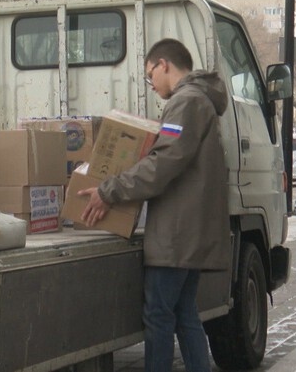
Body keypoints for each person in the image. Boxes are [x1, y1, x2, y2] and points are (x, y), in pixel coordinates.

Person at [79, 38, 230, 372]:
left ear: (164, 64)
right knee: (184, 313)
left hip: (177, 234)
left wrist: (110, 190)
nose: (152, 84)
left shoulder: (186, 102)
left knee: (159, 315)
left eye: (151, 75)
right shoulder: (200, 100)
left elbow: (165, 162)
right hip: (190, 230)